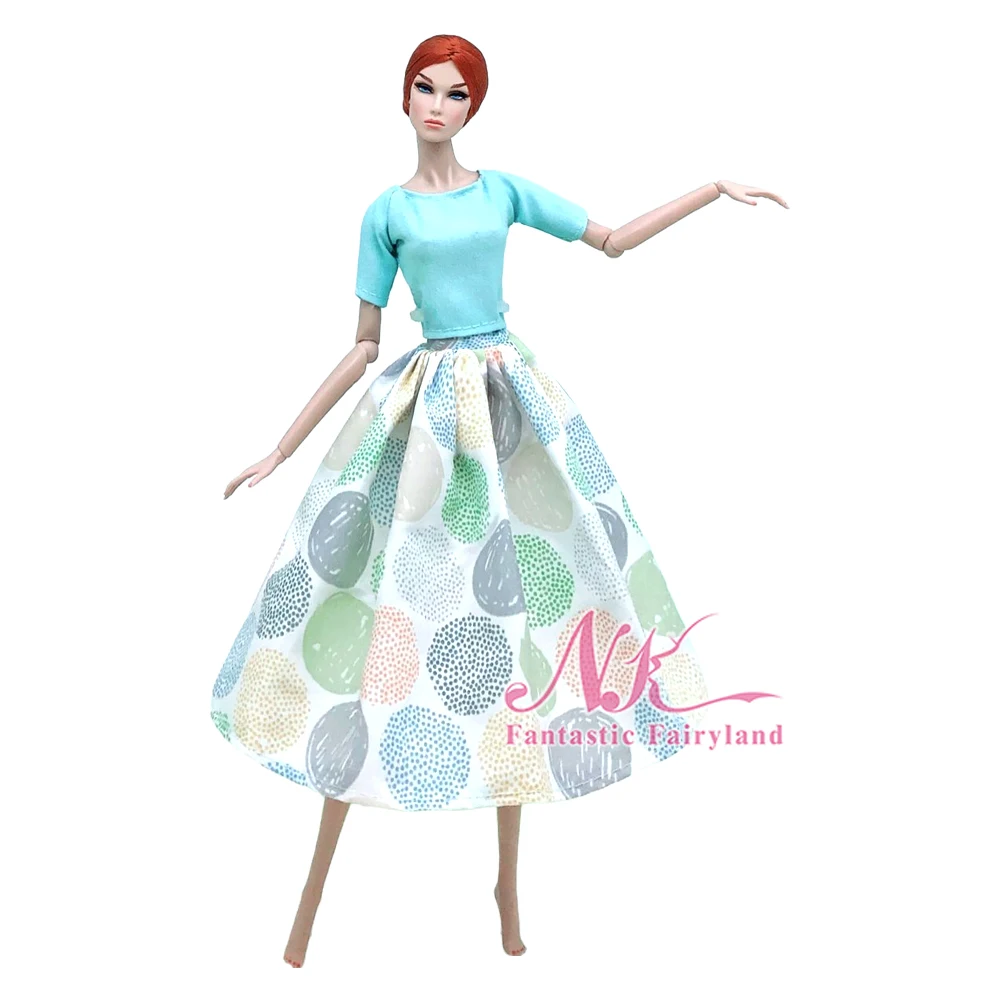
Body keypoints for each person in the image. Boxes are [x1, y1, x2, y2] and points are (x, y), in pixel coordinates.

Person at [212, 32, 788, 966]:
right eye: (425, 88)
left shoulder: (503, 191)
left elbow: (610, 240)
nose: (438, 105)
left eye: (455, 93)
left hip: (512, 413)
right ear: (404, 98)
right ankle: (312, 892)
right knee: (386, 620)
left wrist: (711, 189)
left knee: (514, 626)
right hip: (424, 421)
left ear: (472, 107)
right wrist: (280, 448)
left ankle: (507, 896)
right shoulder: (386, 212)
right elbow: (362, 342)